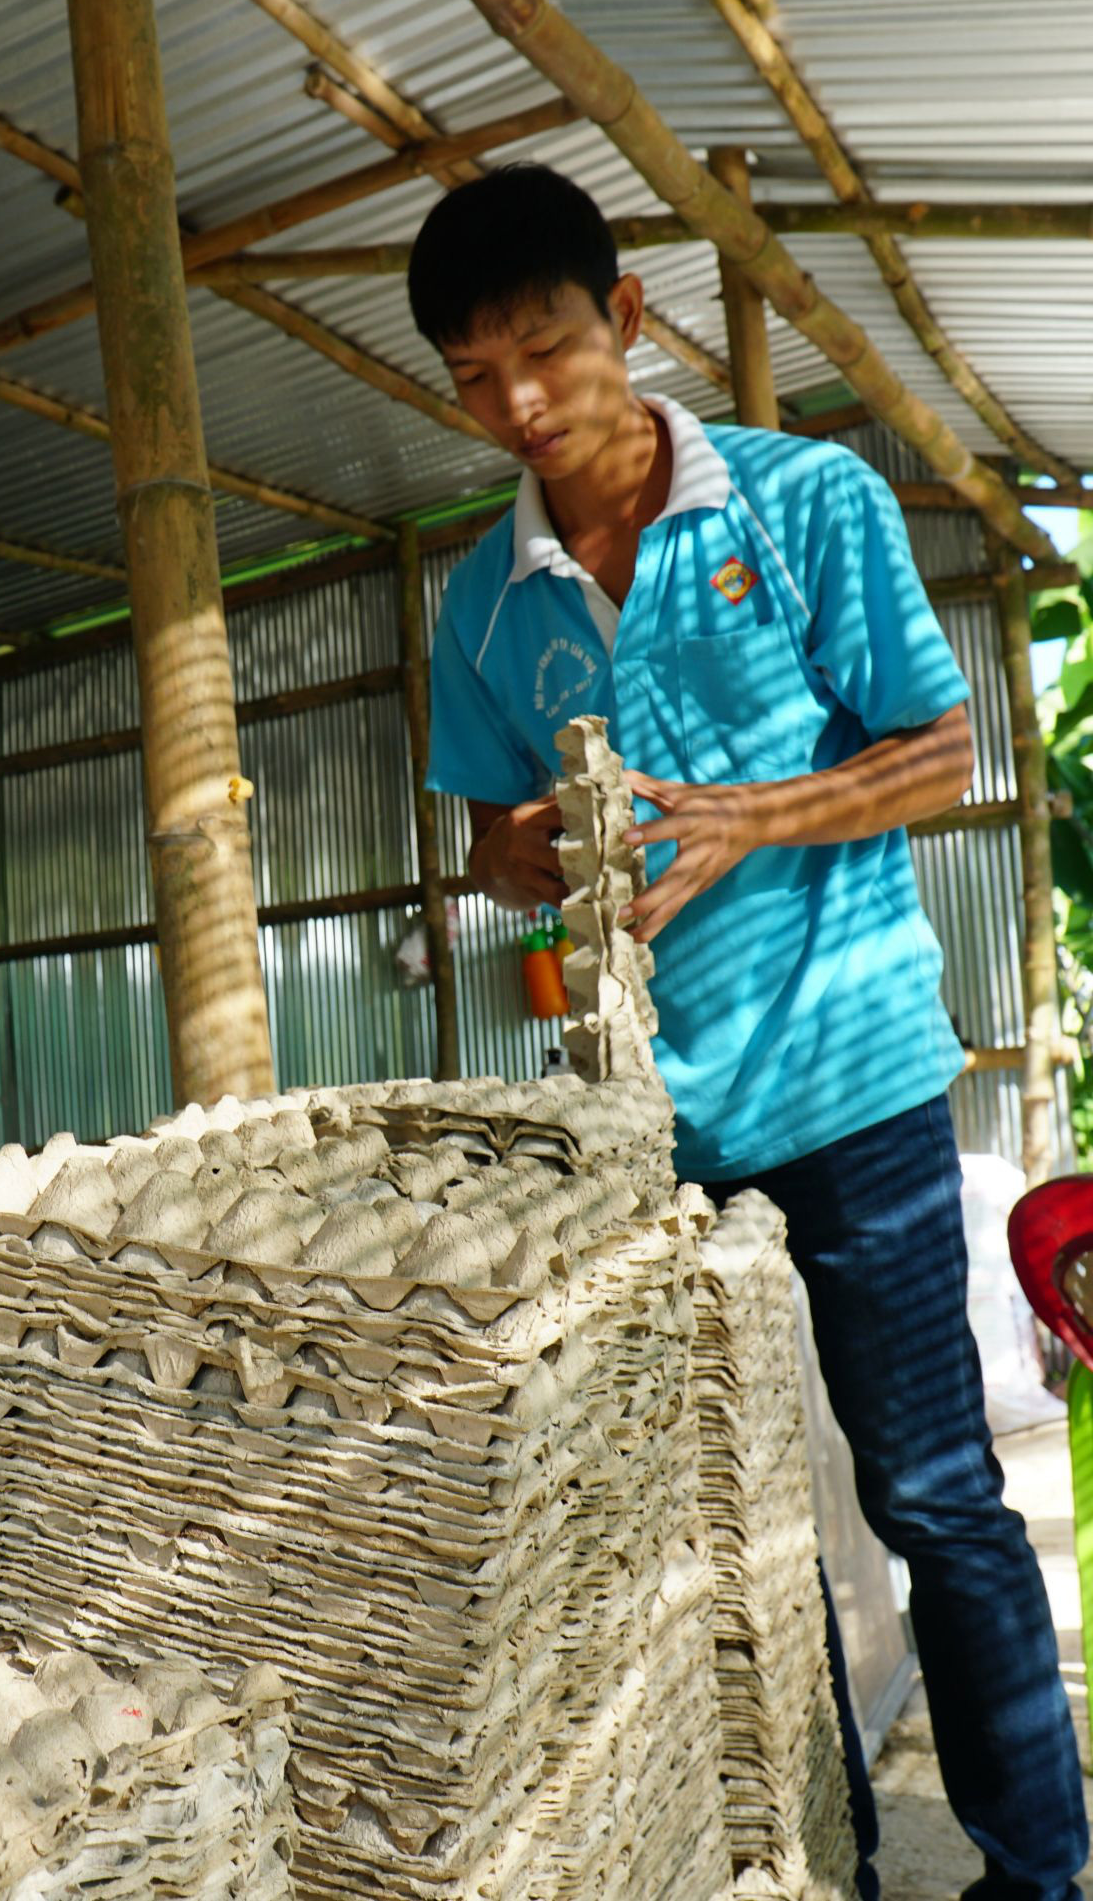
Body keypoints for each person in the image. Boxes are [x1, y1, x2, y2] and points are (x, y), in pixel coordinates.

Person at [409, 163, 1086, 1901]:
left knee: (933, 1495)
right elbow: (486, 839)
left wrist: (738, 819)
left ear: (626, 322)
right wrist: (531, 849)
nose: (522, 406)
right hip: (651, 1144)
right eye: (476, 377)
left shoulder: (802, 503)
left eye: (545, 350)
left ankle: (1039, 1869)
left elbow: (937, 755)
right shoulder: (482, 607)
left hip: (852, 1088)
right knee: (718, 1533)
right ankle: (815, 1867)